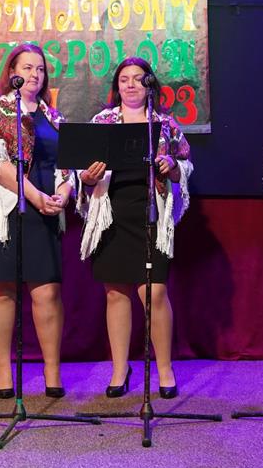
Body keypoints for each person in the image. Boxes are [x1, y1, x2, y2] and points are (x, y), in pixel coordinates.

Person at [78, 58, 192, 398]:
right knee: (116, 293)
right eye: (124, 79)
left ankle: (165, 369)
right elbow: (81, 174)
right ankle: (119, 370)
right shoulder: (102, 122)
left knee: (153, 292)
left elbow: (185, 164)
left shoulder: (165, 124)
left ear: (150, 85)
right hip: (112, 213)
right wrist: (88, 178)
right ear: (117, 86)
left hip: (150, 212)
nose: (130, 84)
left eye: (138, 79)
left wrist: (172, 166)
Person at [0, 43, 73, 399]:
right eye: (27, 68)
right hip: (3, 207)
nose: (34, 75)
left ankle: (52, 371)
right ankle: (3, 371)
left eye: (40, 69)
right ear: (11, 72)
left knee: (47, 291)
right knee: (1, 290)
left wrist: (63, 192)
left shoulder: (52, 115)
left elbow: (66, 163)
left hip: (45, 206)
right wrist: (35, 196)